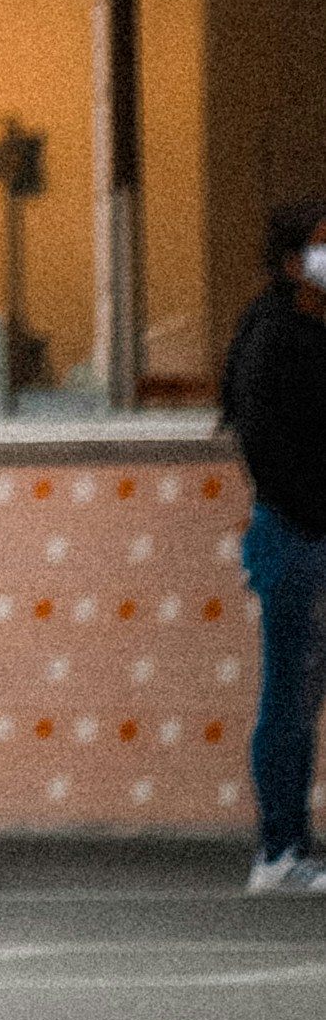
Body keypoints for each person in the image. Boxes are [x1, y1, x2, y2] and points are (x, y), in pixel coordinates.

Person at [223, 197, 326, 889]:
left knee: (300, 690)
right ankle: (279, 849)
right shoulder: (272, 334)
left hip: (305, 530)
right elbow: (264, 445)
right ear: (294, 262)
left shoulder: (312, 328)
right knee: (289, 693)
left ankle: (292, 842)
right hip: (294, 536)